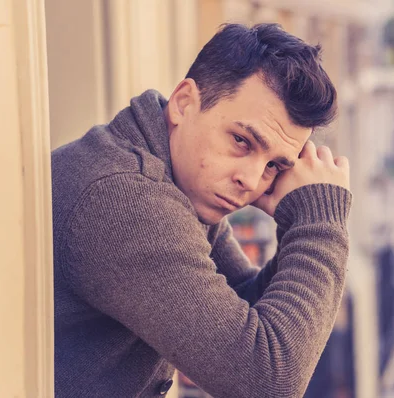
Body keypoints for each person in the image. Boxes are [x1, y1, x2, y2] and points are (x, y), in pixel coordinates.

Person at [52, 23, 352, 398]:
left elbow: (242, 305)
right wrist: (319, 224)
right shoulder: (125, 200)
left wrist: (300, 218)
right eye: (241, 141)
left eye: (275, 165)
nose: (252, 179)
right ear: (184, 103)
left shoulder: (181, 184)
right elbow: (267, 380)